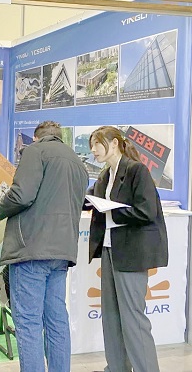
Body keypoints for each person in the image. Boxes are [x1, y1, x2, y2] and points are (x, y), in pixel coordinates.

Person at [0, 120, 88, 372]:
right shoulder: (78, 162)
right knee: (57, 320)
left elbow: (21, 195)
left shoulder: (35, 151)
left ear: (36, 138)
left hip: (31, 249)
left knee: (28, 323)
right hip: (62, 251)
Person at [87, 126, 167, 372]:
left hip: (131, 253)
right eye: (92, 145)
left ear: (114, 143)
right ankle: (117, 367)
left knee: (133, 318)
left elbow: (146, 211)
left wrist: (113, 210)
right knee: (111, 317)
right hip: (109, 250)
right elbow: (89, 199)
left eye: (97, 144)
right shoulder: (104, 175)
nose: (93, 150)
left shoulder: (136, 171)